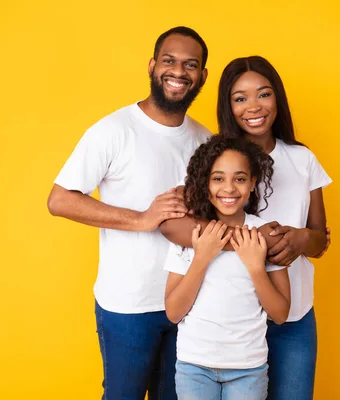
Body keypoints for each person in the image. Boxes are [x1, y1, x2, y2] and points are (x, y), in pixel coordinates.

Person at [47, 26, 211, 400]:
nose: (179, 71)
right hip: (128, 304)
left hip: (188, 303)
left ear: (202, 76)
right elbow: (60, 200)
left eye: (191, 64)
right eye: (169, 61)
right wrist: (141, 219)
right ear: (153, 66)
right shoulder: (114, 130)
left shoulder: (206, 139)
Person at [160, 55, 332, 400]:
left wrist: (299, 239)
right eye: (240, 98)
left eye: (263, 94)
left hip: (289, 313)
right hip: (222, 327)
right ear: (229, 106)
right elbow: (173, 226)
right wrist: (253, 243)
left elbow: (320, 238)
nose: (254, 106)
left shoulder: (302, 159)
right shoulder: (212, 159)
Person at [164, 135, 291, 399]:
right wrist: (201, 258)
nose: (229, 188)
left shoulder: (266, 234)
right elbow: (173, 313)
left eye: (240, 178)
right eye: (218, 178)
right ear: (205, 183)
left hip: (248, 368)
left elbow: (280, 314)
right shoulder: (190, 236)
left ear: (253, 183)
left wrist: (256, 267)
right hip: (194, 366)